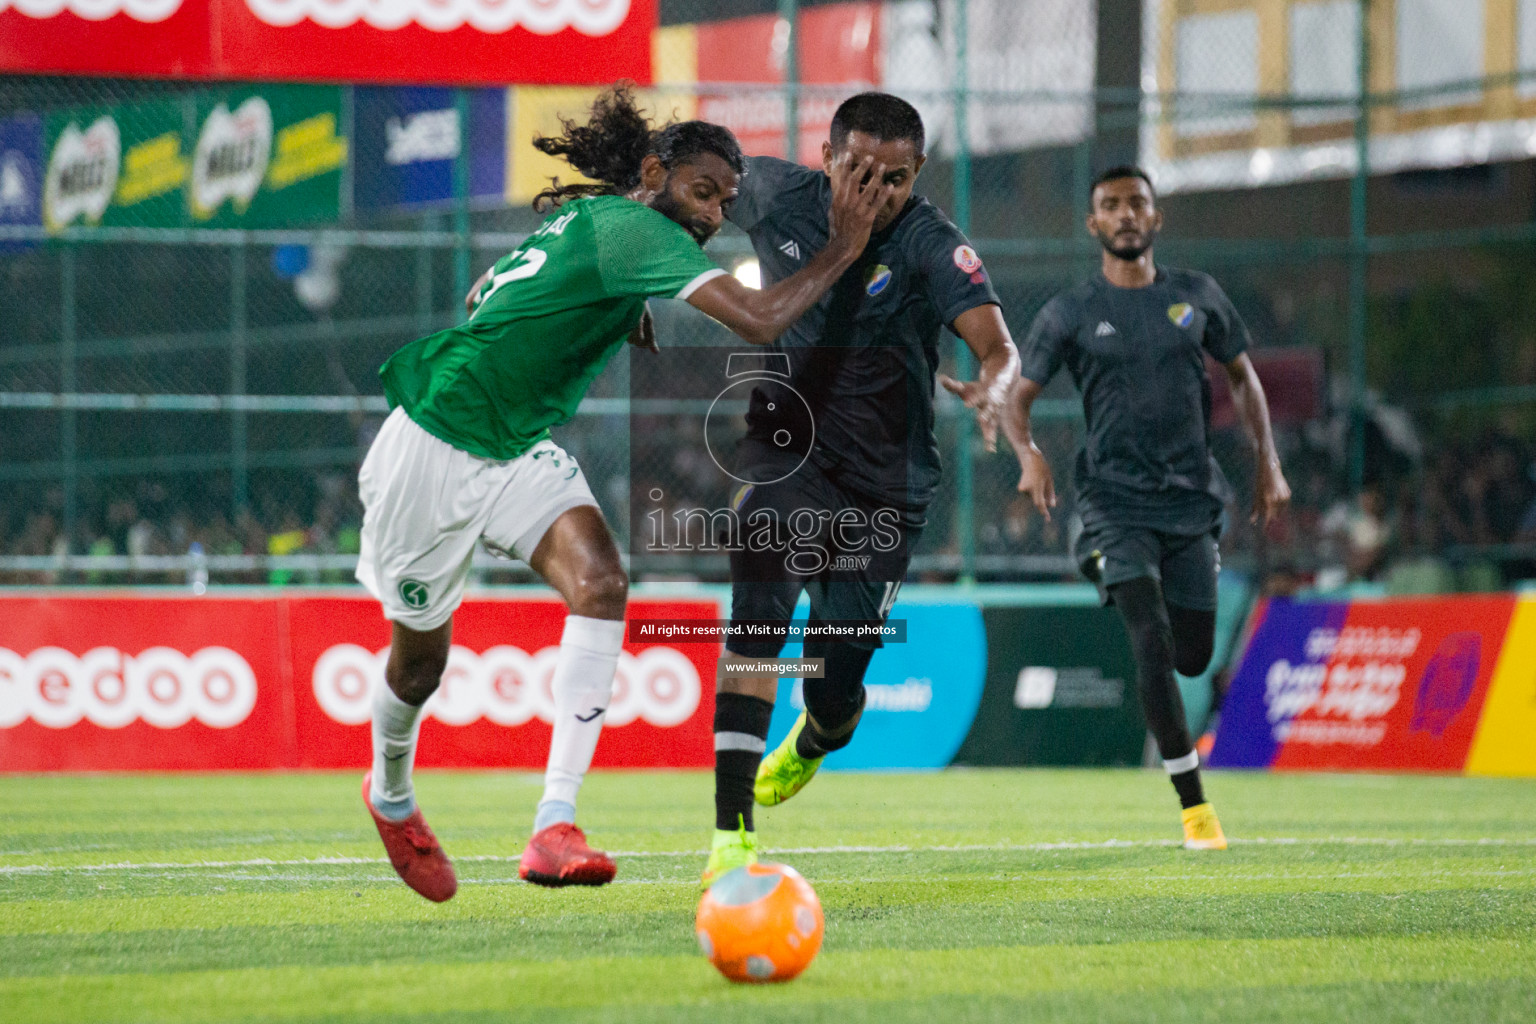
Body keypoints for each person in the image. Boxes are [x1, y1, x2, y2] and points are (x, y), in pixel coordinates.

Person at [356, 85, 893, 902]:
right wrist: (844, 247)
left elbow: (484, 296)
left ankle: (553, 826)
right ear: (652, 173)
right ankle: (390, 793)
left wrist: (617, 305)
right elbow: (759, 319)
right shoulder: (635, 228)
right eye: (701, 191)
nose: (714, 216)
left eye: (724, 201)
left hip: (514, 445)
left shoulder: (599, 223)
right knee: (420, 665)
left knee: (603, 583)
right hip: (435, 442)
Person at [703, 92, 1025, 886]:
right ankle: (730, 837)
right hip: (787, 456)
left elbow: (998, 344)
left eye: (897, 178)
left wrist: (996, 384)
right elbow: (669, 199)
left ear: (918, 175)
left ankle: (814, 736)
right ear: (826, 156)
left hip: (884, 490)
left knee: (836, 686)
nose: (878, 191)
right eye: (862, 172)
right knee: (759, 605)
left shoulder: (931, 244)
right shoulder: (774, 194)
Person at [1005, 166, 1291, 850]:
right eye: (1111, 205)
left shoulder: (1198, 297)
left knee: (1191, 653)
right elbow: (1018, 398)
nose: (1126, 214)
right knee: (1150, 638)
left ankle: (1196, 706)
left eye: (1137, 203)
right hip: (1111, 504)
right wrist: (1030, 455)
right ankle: (1195, 806)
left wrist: (1268, 464)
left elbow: (1243, 379)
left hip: (1191, 503)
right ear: (1094, 225)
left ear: (1156, 218)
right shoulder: (1069, 311)